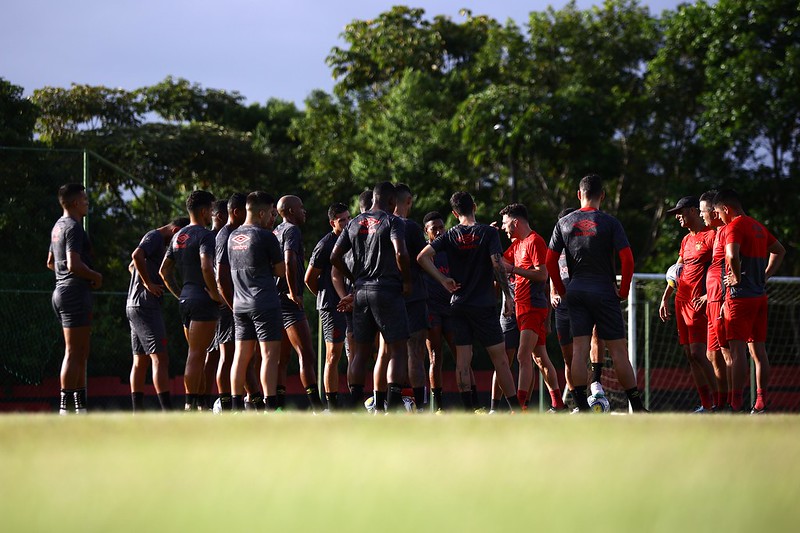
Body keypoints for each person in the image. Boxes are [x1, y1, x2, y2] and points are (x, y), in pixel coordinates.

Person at [546, 174, 646, 412]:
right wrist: (622, 290)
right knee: (619, 351)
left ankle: (581, 406)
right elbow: (628, 260)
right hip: (604, 291)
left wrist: (562, 290)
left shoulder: (564, 223)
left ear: (579, 195)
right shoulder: (611, 222)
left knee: (579, 350)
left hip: (576, 291)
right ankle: (637, 407)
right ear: (602, 195)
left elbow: (550, 262)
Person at [417, 191, 522, 413]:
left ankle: (467, 412)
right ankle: (515, 410)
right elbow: (497, 265)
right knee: (501, 360)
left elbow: (422, 257)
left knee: (462, 361)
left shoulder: (450, 235)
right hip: (483, 305)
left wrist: (444, 280)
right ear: (474, 206)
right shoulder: (488, 232)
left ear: (455, 213)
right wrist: (508, 296)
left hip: (458, 305)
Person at [331, 181, 412, 412]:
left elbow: (335, 257)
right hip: (386, 289)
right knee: (397, 349)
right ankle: (394, 405)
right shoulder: (392, 221)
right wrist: (406, 280)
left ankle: (354, 404)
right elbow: (400, 252)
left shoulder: (354, 222)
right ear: (390, 201)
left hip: (361, 292)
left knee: (361, 352)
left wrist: (354, 277)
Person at [713, 189, 785, 413]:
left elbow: (732, 255)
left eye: (718, 213)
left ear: (726, 208)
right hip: (759, 296)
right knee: (759, 351)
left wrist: (734, 275)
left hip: (740, 297)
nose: (718, 218)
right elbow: (779, 251)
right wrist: (765, 275)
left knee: (737, 351)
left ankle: (735, 403)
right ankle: (760, 402)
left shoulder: (732, 227)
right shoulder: (758, 226)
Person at [159, 190, 222, 411]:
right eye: (212, 210)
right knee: (196, 354)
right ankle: (190, 405)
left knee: (196, 353)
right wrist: (214, 294)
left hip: (185, 300)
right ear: (204, 211)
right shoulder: (205, 236)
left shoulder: (178, 236)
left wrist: (180, 293)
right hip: (203, 301)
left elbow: (164, 271)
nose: (212, 215)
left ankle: (200, 406)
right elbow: (206, 266)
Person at [500, 203, 565, 412]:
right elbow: (500, 262)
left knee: (522, 356)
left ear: (515, 222)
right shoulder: (517, 244)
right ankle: (557, 403)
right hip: (523, 307)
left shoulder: (535, 241)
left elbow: (543, 275)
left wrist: (514, 269)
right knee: (540, 358)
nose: (503, 227)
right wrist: (489, 237)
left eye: (505, 223)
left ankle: (520, 406)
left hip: (532, 307)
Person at [659, 196, 719, 412]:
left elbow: (720, 268)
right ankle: (706, 404)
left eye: (681, 212)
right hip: (681, 302)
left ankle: (720, 402)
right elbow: (677, 270)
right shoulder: (685, 241)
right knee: (689, 355)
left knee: (698, 353)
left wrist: (709, 295)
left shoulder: (712, 236)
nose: (677, 216)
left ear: (694, 211)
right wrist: (665, 297)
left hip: (698, 303)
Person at [46, 183, 103, 414]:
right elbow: (73, 264)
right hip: (73, 293)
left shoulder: (57, 227)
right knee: (73, 351)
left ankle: (79, 406)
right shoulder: (73, 227)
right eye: (84, 199)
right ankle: (65, 406)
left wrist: (66, 277)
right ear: (74, 203)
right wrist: (94, 275)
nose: (87, 202)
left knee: (81, 351)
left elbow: (51, 262)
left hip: (62, 292)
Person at [228, 192, 285, 411]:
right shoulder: (265, 236)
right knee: (269, 356)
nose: (273, 217)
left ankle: (234, 406)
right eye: (271, 213)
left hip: (239, 304)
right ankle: (270, 407)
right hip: (264, 302)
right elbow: (280, 270)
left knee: (241, 356)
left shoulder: (232, 236)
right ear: (261, 213)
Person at [126, 216, 189, 412]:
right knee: (160, 358)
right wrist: (147, 284)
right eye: (180, 238)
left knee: (140, 359)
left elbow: (131, 267)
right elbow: (136, 256)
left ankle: (137, 411)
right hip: (145, 306)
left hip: (134, 305)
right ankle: (167, 410)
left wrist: (142, 278)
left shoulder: (158, 242)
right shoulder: (154, 237)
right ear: (175, 230)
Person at [274, 195, 323, 412]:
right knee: (306, 354)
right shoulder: (291, 230)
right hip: (288, 300)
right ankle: (317, 407)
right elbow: (289, 260)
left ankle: (278, 407)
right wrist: (294, 292)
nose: (305, 211)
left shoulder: (275, 231)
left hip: (272, 299)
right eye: (301, 207)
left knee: (281, 359)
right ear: (291, 211)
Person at [305, 202, 351, 410]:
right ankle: (331, 405)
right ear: (332, 223)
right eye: (342, 220)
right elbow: (309, 278)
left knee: (354, 353)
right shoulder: (325, 244)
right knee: (333, 355)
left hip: (350, 304)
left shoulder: (352, 240)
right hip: (331, 306)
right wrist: (325, 297)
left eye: (349, 218)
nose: (347, 222)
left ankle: (354, 401)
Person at [393, 184, 429, 410]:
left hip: (386, 296)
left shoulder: (379, 225)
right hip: (413, 295)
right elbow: (424, 259)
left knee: (389, 353)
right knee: (415, 352)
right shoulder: (411, 228)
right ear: (409, 201)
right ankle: (420, 406)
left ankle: (389, 403)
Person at [214, 193, 248, 411]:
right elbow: (220, 276)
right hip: (229, 304)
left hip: (238, 302)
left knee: (242, 354)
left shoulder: (237, 234)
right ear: (236, 212)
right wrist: (230, 303)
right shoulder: (224, 235)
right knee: (227, 355)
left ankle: (244, 399)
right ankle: (225, 405)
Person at [422, 211, 459, 412]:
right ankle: (438, 406)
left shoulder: (451, 249)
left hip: (452, 308)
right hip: (432, 310)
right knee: (435, 356)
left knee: (461, 354)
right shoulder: (423, 254)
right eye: (433, 228)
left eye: (441, 227)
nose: (438, 231)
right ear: (426, 232)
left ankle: (470, 402)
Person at [698, 190, 729, 410]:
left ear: (715, 212)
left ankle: (732, 403)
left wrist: (723, 295)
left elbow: (734, 265)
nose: (702, 216)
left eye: (703, 211)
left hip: (721, 299)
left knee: (727, 352)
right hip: (712, 299)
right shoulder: (716, 233)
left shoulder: (727, 232)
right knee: (711, 354)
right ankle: (719, 403)